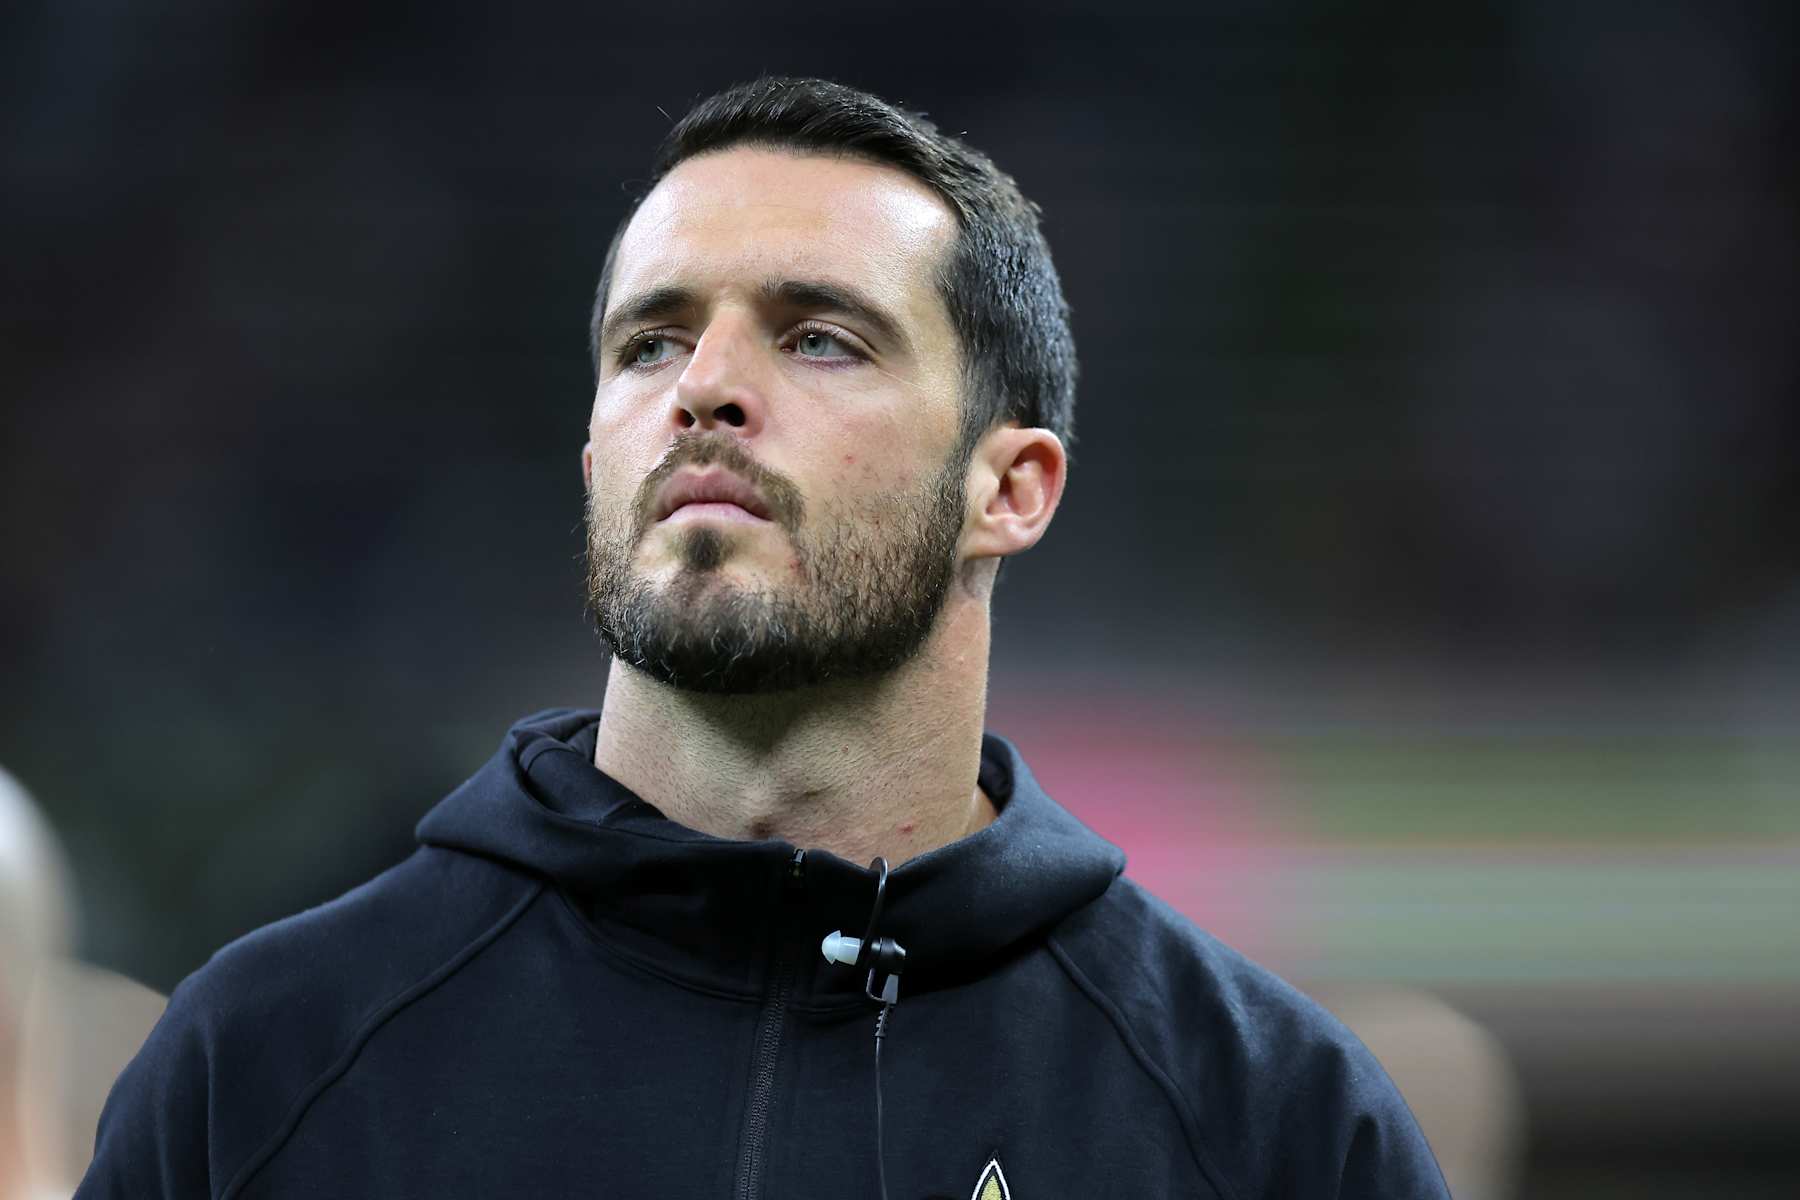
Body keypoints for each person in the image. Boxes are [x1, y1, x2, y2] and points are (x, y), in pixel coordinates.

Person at [78, 77, 1449, 1199]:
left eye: (820, 339)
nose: (706, 391)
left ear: (1010, 488)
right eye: (652, 344)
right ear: (594, 453)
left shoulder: (1276, 1128)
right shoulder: (265, 1064)